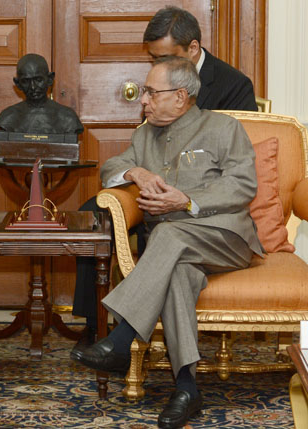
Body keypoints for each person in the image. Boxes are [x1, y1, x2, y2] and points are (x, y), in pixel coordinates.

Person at [71, 56, 262, 428]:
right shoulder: (144, 135)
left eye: (150, 92)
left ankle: (122, 336)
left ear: (180, 96)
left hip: (226, 238)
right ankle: (187, 388)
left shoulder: (224, 127)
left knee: (169, 233)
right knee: (178, 275)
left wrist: (187, 201)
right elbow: (109, 169)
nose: (143, 99)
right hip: (174, 250)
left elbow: (243, 185)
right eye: (144, 92)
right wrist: (135, 171)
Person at [0, 53, 83, 135]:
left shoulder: (67, 118)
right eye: (26, 81)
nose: (33, 87)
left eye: (38, 80)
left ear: (50, 79)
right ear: (18, 84)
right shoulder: (8, 118)